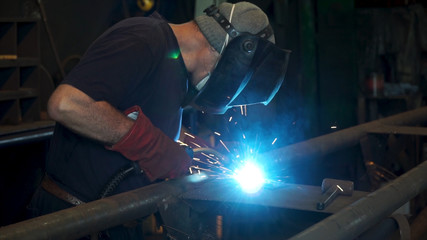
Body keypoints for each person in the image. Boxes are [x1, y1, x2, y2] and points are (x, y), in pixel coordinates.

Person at [27, 1, 287, 239]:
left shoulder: (178, 71)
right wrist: (156, 148)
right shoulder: (144, 39)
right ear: (230, 53)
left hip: (111, 221)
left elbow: (138, 118)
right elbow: (67, 104)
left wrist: (194, 148)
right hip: (71, 221)